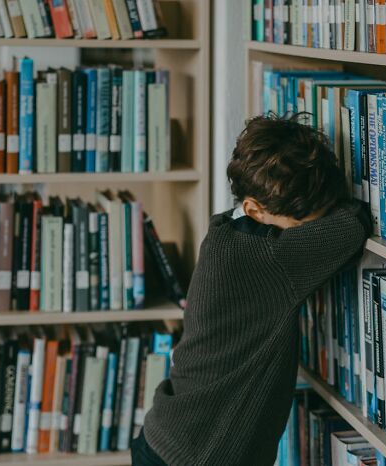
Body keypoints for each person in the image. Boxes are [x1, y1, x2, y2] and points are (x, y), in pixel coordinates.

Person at [132, 114, 372, 466]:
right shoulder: (271, 258)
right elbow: (353, 224)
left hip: (169, 439)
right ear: (254, 209)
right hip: (199, 455)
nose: (313, 232)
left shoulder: (228, 233)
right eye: (305, 227)